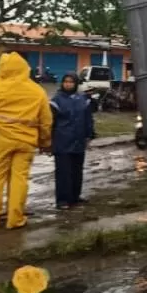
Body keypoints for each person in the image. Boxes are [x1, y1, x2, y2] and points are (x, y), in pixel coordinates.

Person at [0, 51, 52, 230]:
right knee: (19, 179)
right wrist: (45, 142)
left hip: (1, 140)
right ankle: (15, 219)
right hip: (27, 142)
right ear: (25, 68)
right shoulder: (37, 90)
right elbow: (46, 121)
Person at [49, 73, 95, 210]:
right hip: (62, 141)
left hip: (79, 141)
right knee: (63, 172)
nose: (68, 84)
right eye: (66, 82)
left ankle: (75, 197)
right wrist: (49, 141)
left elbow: (88, 119)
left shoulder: (83, 99)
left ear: (76, 84)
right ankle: (62, 200)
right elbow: (50, 122)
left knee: (77, 171)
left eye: (71, 82)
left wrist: (89, 135)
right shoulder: (56, 100)